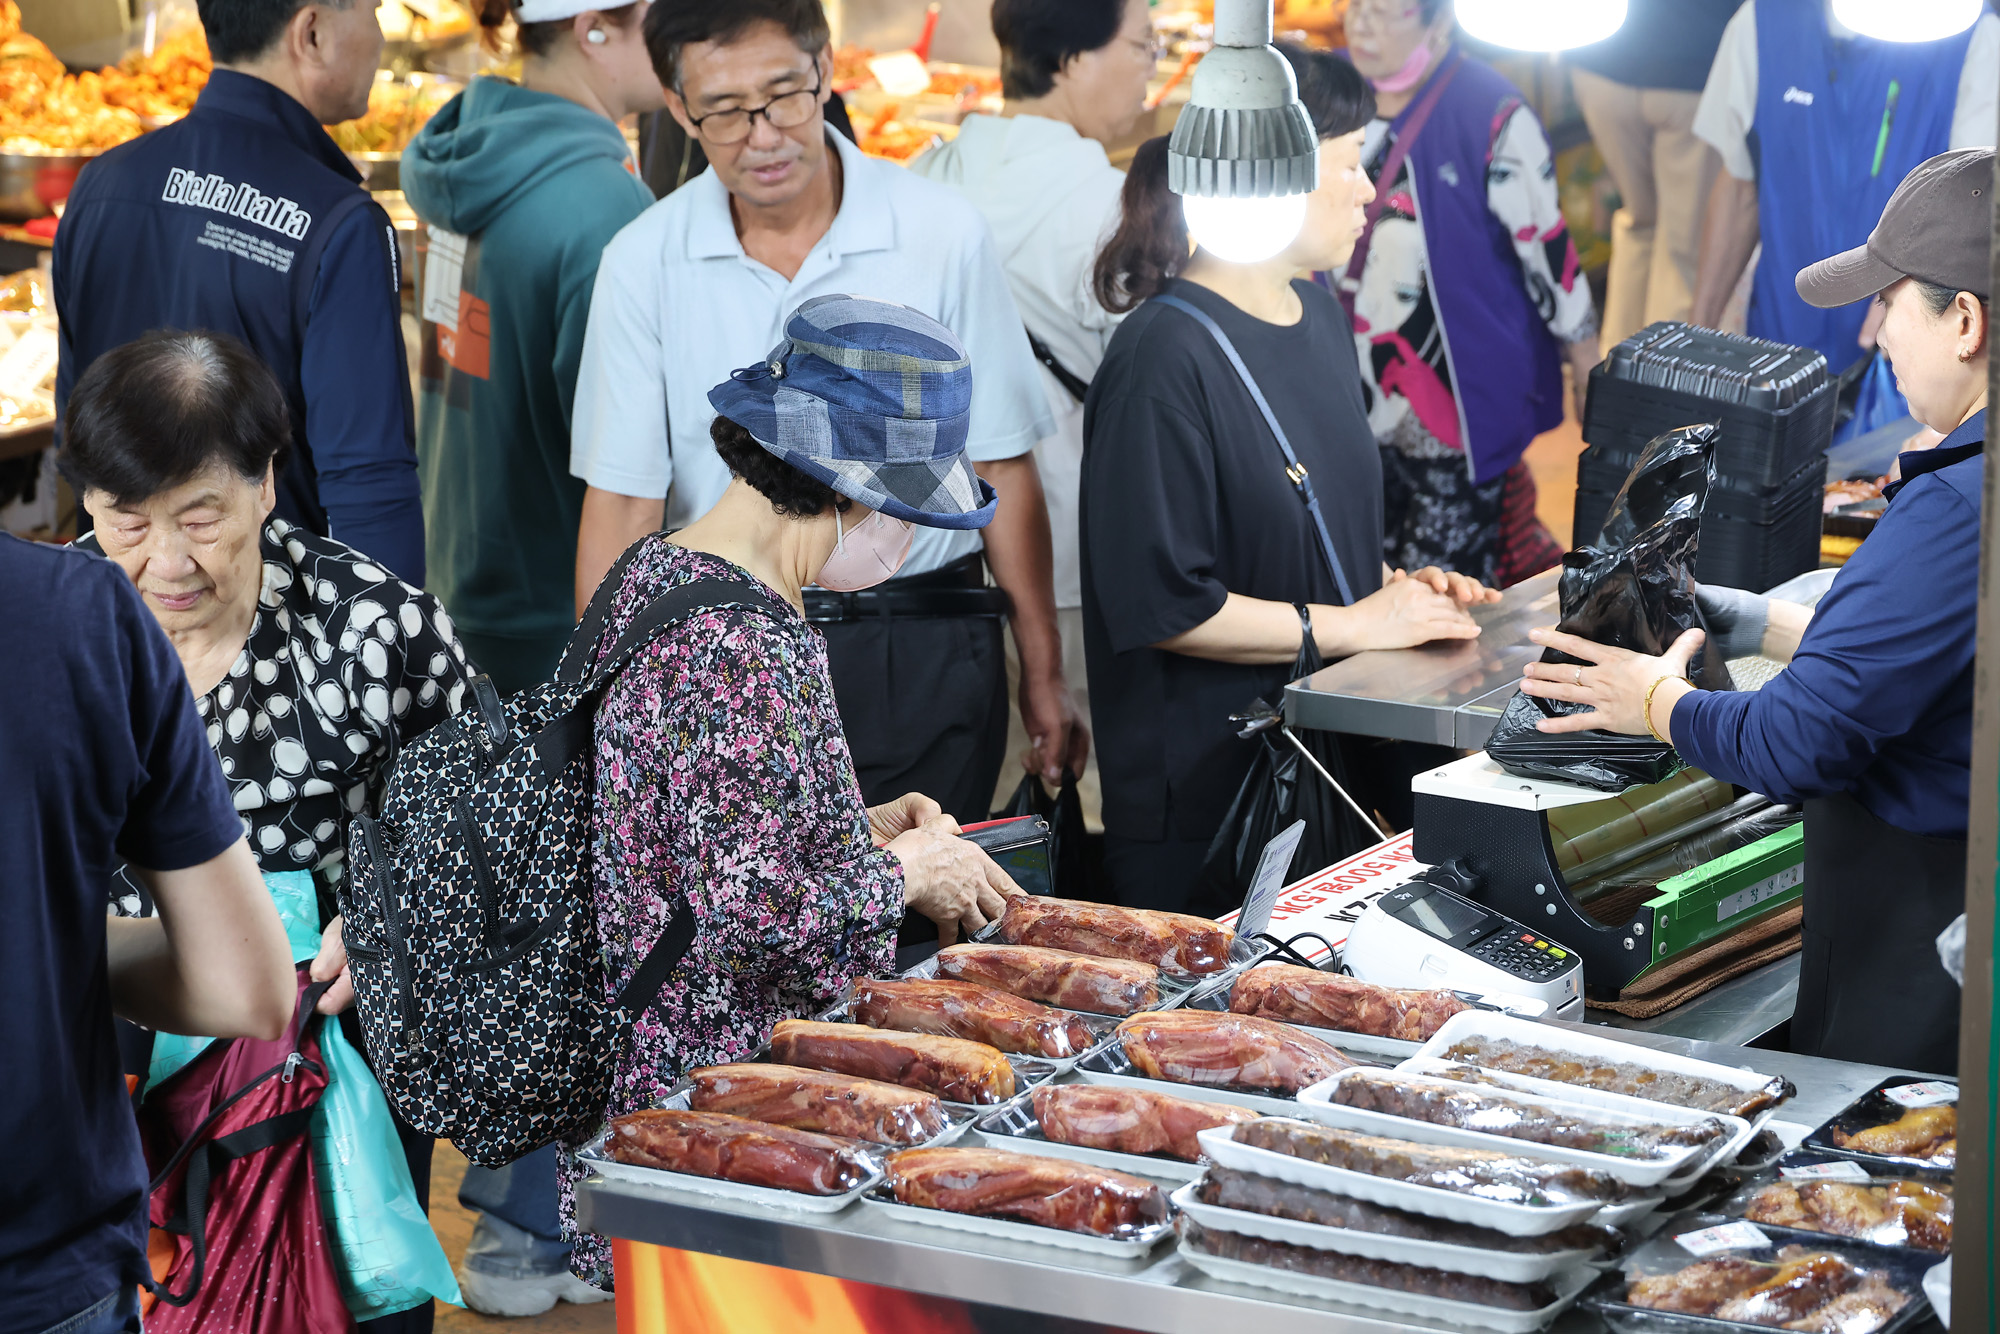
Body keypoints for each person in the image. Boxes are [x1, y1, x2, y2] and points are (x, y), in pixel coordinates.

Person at [557, 296, 1023, 1287]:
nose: (899, 532)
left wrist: (857, 827)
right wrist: (902, 872)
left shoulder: (657, 570)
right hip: (721, 1107)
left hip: (661, 1076)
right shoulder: (745, 641)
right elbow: (760, 920)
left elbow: (694, 835)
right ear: (849, 489)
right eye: (899, 507)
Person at [1518, 150, 1991, 1076]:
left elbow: (1799, 743)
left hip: (1929, 946)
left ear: (1964, 319)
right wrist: (1767, 627)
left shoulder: (1961, 502)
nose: (1872, 334)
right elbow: (1960, 671)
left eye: (1887, 302)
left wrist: (1653, 701)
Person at [569, 0, 1076, 834]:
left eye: (784, 98)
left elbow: (1001, 464)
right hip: (727, 649)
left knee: (928, 901)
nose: (762, 136)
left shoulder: (940, 231)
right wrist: (598, 702)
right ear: (676, 105)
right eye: (725, 111)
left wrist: (1043, 671)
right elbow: (623, 502)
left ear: (826, 70)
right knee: (766, 918)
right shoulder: (642, 261)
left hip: (923, 635)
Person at [62, 329, 478, 1334]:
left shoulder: (374, 628)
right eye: (129, 520)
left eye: (200, 514)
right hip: (102, 1061)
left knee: (347, 1300)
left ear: (264, 483)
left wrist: (386, 914)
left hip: (331, 1062)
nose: (167, 560)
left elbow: (479, 824)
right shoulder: (47, 629)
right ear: (86, 502)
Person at [1082, 50, 1496, 914]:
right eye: (1349, 164)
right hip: (1213, 797)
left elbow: (1298, 534)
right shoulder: (1161, 356)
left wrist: (1397, 595)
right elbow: (1167, 603)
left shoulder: (1320, 320)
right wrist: (1355, 622)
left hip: (1322, 764)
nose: (1367, 192)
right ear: (1269, 178)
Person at [2, 537, 294, 1331]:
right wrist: (48, 942)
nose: (167, 558)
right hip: (46, 1266)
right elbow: (246, 984)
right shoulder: (76, 611)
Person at [54, 0, 425, 584]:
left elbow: (74, 431)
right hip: (265, 635)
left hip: (123, 606)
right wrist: (389, 663)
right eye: (375, 10)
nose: (379, 38)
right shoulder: (339, 222)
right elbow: (370, 493)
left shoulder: (101, 181)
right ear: (312, 32)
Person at [908, 0, 1154, 812]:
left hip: (934, 562)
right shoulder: (1111, 208)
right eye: (1143, 47)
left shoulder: (925, 175)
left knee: (984, 805)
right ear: (1073, 60)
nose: (1151, 73)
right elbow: (1153, 389)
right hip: (1072, 552)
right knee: (1087, 796)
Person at [403, 0, 661, 704]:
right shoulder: (606, 208)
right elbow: (628, 455)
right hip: (563, 620)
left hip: (456, 580)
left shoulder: (466, 155)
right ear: (593, 28)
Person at [1341, 0, 1599, 586]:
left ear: (1439, 23)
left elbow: (1546, 246)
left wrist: (1586, 361)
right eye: (1354, 5)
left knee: (1442, 588)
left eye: (1384, 11)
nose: (1361, 22)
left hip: (1457, 402)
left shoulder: (1491, 110)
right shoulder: (1325, 95)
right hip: (1347, 392)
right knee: (1361, 578)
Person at [1689, 0, 1997, 436]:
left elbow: (1977, 210)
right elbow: (1738, 189)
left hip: (1903, 365)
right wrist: (1697, 338)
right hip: (1778, 336)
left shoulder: (1974, 36)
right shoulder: (1762, 21)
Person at [1564, 0, 1738, 349]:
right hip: (1691, 70)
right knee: (1682, 252)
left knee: (1639, 223)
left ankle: (1615, 380)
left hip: (1600, 65)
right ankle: (1656, 391)